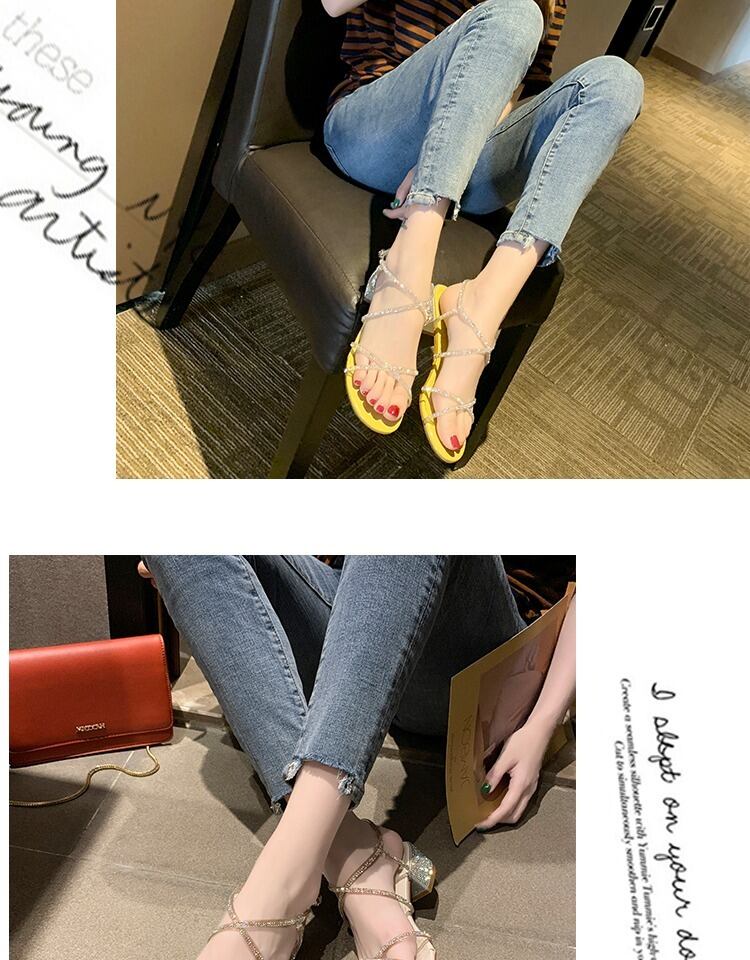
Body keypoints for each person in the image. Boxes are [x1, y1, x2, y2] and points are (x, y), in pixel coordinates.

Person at [141, 556, 575, 960]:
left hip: (459, 650)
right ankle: (353, 856)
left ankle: (275, 897)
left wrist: (541, 724)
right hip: (354, 616)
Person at [320, 0, 644, 461]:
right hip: (373, 126)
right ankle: (407, 268)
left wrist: (444, 154)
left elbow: (516, 88)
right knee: (514, 15)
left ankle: (481, 308)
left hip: (462, 163)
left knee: (619, 83)